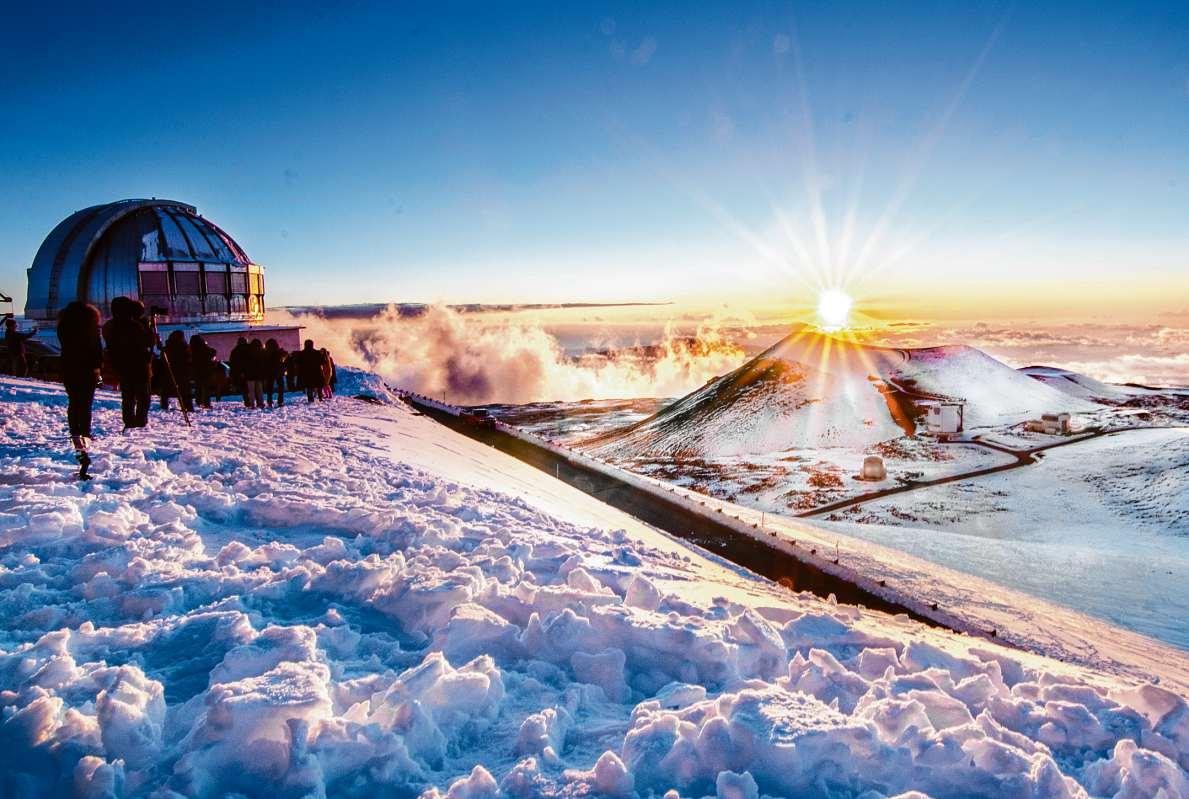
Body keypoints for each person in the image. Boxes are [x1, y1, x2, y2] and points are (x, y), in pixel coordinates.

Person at [56, 302, 102, 475]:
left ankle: (75, 432)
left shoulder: (63, 327)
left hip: (68, 367)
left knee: (74, 401)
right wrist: (98, 368)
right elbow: (97, 350)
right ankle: (85, 432)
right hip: (87, 369)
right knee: (85, 403)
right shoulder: (91, 329)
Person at [101, 297, 154, 429]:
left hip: (121, 365)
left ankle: (129, 421)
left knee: (128, 396)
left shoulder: (109, 326)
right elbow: (148, 342)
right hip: (139, 364)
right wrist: (148, 328)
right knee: (143, 395)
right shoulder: (135, 326)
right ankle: (140, 421)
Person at [160, 330, 193, 412]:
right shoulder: (184, 347)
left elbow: (163, 358)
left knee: (167, 389)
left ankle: (164, 404)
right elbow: (189, 359)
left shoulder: (168, 347)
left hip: (171, 371)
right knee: (185, 390)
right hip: (182, 371)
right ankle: (188, 406)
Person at [190, 334, 218, 409]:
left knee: (198, 387)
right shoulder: (204, 347)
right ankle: (206, 403)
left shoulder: (191, 349)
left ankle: (198, 401)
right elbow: (213, 351)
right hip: (206, 370)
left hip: (196, 371)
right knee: (206, 388)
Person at [228, 337, 253, 407]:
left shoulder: (235, 351)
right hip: (250, 371)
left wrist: (234, 373)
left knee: (244, 388)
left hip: (240, 372)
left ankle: (247, 401)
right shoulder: (250, 349)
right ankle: (254, 400)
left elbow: (232, 363)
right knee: (252, 387)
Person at [264, 338, 288, 408]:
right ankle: (280, 401)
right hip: (279, 372)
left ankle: (269, 402)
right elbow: (285, 354)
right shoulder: (279, 351)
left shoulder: (266, 352)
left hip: (269, 372)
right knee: (281, 387)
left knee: (269, 388)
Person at [244, 339, 266, 409]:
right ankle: (261, 403)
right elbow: (263, 363)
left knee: (251, 391)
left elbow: (246, 364)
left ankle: (252, 404)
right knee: (259, 391)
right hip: (259, 375)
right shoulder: (261, 352)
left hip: (250, 375)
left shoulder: (248, 352)